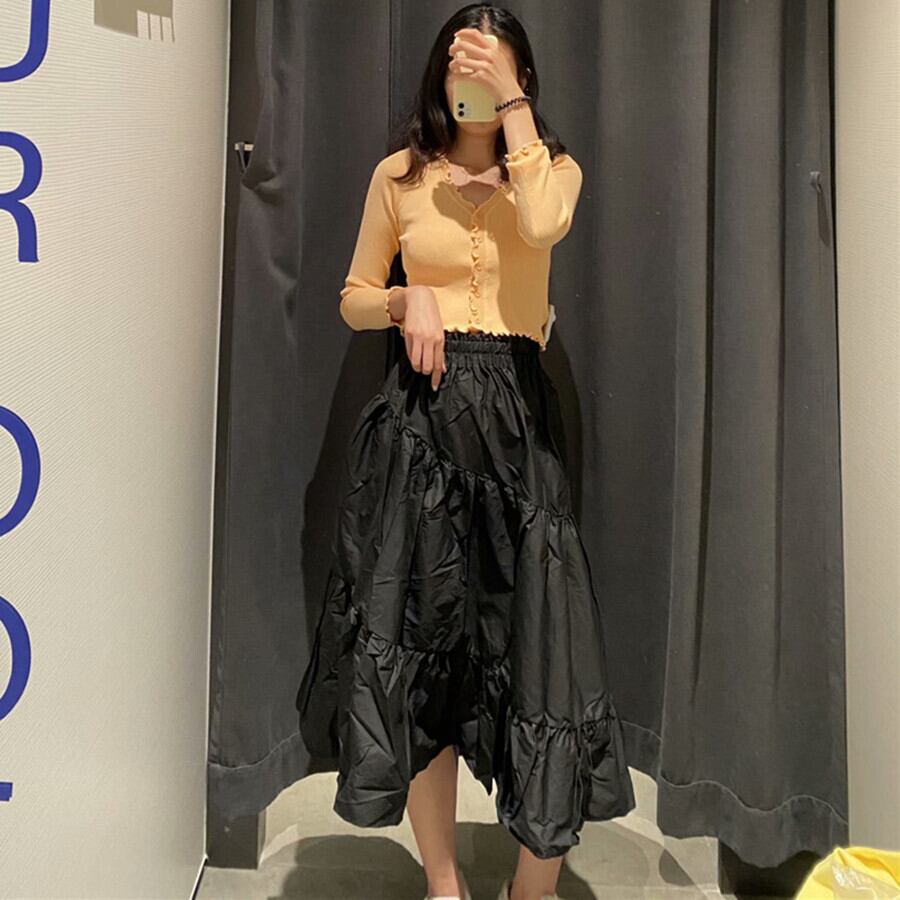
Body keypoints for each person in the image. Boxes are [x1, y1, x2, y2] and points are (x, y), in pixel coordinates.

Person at [296, 6, 636, 900]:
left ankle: (533, 889)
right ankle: (442, 883)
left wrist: (512, 107)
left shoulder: (552, 171)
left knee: (543, 654)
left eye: (492, 63)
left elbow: (545, 225)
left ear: (521, 78)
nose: (471, 77)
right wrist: (404, 301)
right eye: (461, 60)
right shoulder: (399, 176)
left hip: (519, 430)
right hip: (422, 428)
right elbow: (352, 294)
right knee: (422, 652)